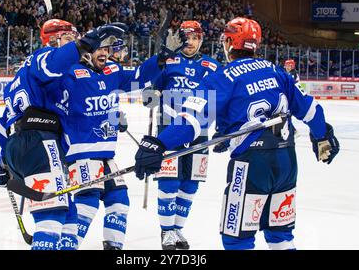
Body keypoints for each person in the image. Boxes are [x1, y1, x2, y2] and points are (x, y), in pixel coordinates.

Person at [132, 17, 340, 250]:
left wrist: (160, 143)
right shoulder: (277, 71)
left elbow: (191, 119)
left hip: (252, 164)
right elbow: (310, 109)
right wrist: (323, 135)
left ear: (230, 43)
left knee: (237, 239)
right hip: (287, 162)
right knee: (280, 236)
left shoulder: (223, 76)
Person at [0, 19, 127, 250]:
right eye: (69, 38)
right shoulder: (44, 56)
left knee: (69, 218)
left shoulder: (21, 78)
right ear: (54, 40)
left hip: (20, 143)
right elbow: (54, 63)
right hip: (41, 142)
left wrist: (2, 162)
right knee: (51, 219)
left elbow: (2, 124)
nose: (73, 44)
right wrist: (85, 43)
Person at [49, 34, 172, 250]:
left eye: (107, 49)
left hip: (106, 155)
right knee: (88, 200)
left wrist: (161, 58)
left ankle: (113, 247)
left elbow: (139, 76)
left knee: (119, 200)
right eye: (99, 49)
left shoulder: (112, 72)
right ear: (86, 51)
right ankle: (66, 247)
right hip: (81, 154)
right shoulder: (70, 73)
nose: (104, 53)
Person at [141, 21, 220, 250]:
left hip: (200, 132)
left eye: (195, 38)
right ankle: (166, 232)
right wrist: (151, 94)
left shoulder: (211, 66)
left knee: (190, 184)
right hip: (169, 130)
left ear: (201, 40)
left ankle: (177, 229)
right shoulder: (168, 62)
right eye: (186, 39)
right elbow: (149, 87)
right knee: (169, 182)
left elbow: (223, 93)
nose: (191, 43)